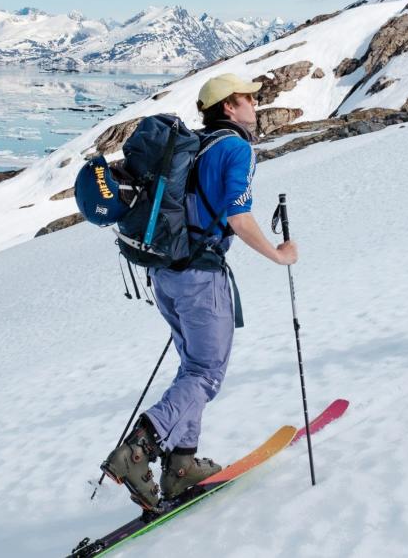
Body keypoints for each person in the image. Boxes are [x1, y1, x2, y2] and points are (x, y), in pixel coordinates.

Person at [101, 73, 299, 510]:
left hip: (166, 275)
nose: (256, 106)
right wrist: (278, 255)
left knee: (193, 368)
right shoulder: (234, 148)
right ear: (229, 106)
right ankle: (139, 448)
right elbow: (237, 217)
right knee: (206, 374)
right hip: (199, 276)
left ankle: (181, 464)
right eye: (250, 99)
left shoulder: (191, 145)